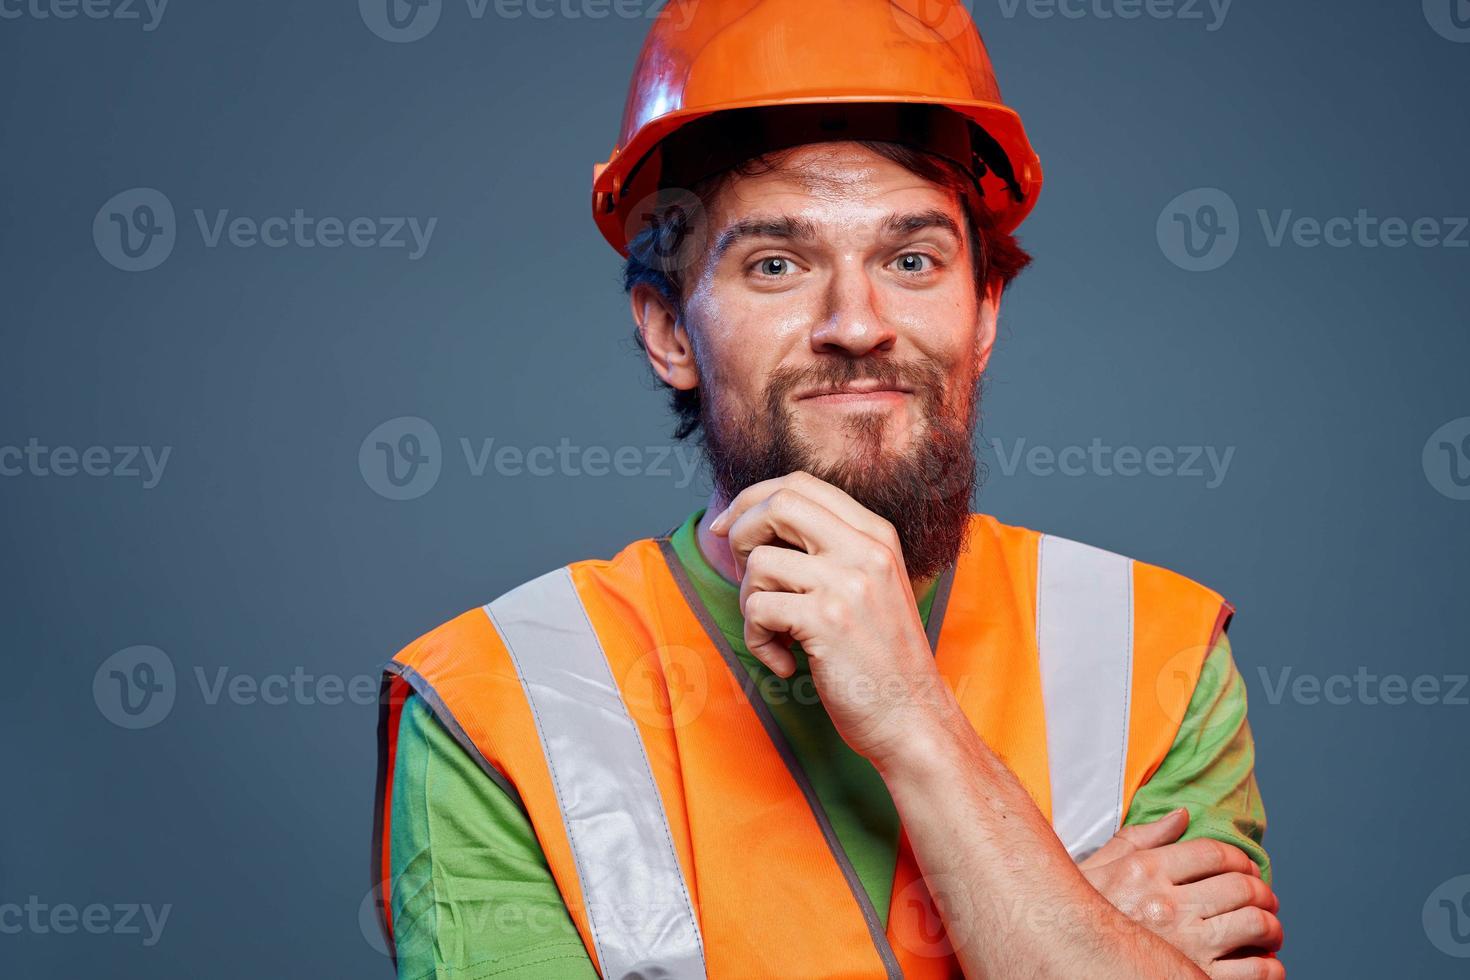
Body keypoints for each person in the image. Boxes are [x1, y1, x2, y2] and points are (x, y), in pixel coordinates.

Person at [371, 1, 1282, 976]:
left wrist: (912, 715)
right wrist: (1078, 938)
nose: (857, 321)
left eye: (911, 258)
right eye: (777, 263)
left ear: (982, 312)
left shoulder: (1156, 651)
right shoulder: (500, 701)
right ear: (670, 330)